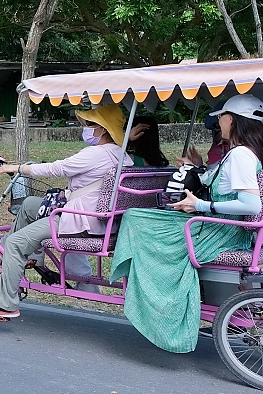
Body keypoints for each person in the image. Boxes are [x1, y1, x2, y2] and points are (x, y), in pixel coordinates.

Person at [110, 94, 263, 353]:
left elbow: (252, 205)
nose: (219, 123)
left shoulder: (240, 155)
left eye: (222, 117)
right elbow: (219, 184)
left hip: (216, 229)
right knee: (138, 216)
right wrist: (198, 169)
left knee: (135, 218)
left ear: (235, 121)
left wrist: (200, 206)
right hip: (219, 225)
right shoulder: (240, 153)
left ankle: (151, 297)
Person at [0, 104, 133, 319]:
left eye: (90, 124)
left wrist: (17, 168)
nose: (86, 128)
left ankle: (6, 303)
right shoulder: (122, 155)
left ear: (103, 129)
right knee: (30, 204)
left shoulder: (96, 154)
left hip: (80, 221)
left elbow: (56, 169)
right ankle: (29, 260)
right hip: (101, 220)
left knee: (13, 243)